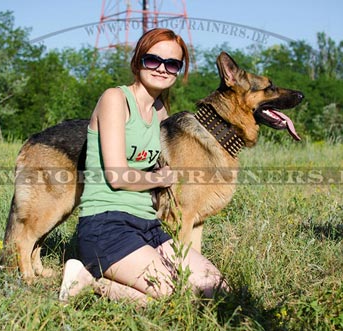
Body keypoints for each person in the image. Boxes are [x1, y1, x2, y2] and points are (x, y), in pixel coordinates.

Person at [59, 28, 228, 305]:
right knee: (175, 294)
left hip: (148, 227)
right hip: (106, 226)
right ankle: (89, 280)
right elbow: (117, 177)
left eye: (172, 64)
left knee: (217, 286)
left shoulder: (160, 111)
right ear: (138, 60)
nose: (162, 68)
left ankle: (100, 281)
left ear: (178, 71)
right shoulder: (115, 99)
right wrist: (161, 179)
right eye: (153, 60)